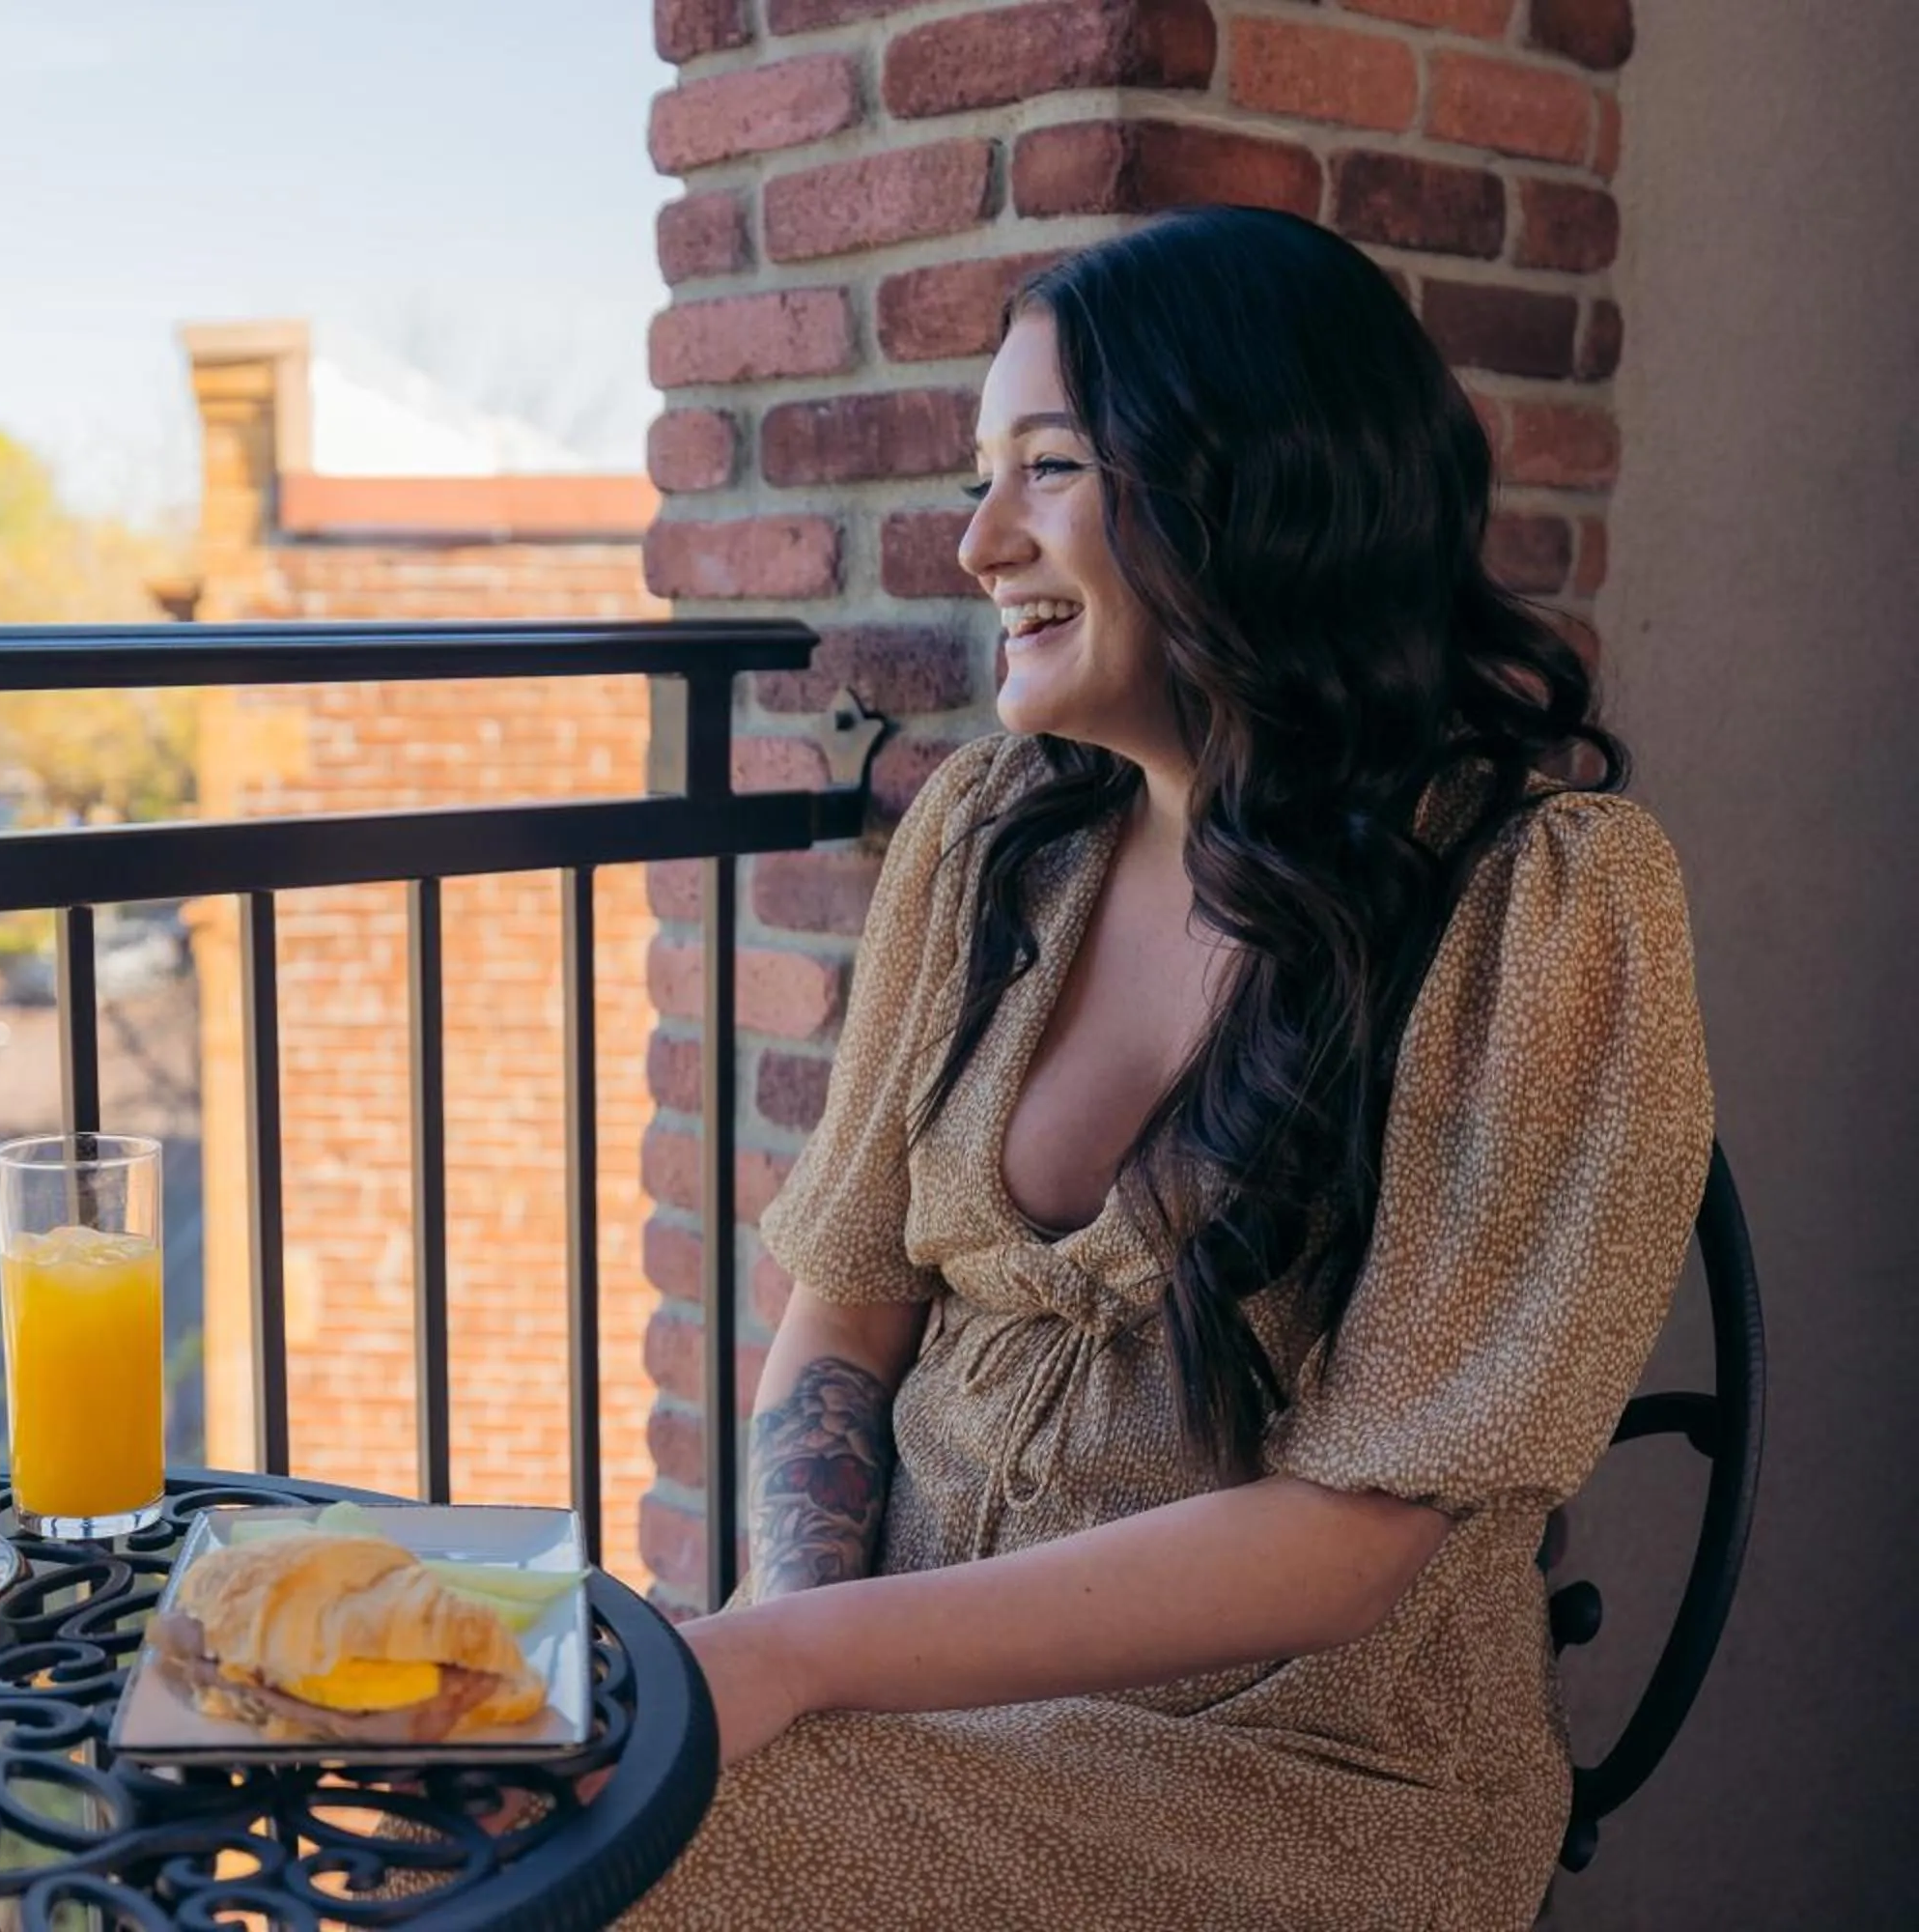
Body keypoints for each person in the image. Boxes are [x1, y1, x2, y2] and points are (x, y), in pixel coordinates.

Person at [618, 207, 1711, 1930]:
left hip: (1303, 1773)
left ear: (1260, 482)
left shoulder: (1543, 899)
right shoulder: (994, 837)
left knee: (633, 1867)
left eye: (1046, 468)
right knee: (512, 1797)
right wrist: (787, 1645)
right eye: (985, 474)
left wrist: (807, 1666)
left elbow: (1351, 1540)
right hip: (893, 1694)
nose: (980, 543)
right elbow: (846, 1306)